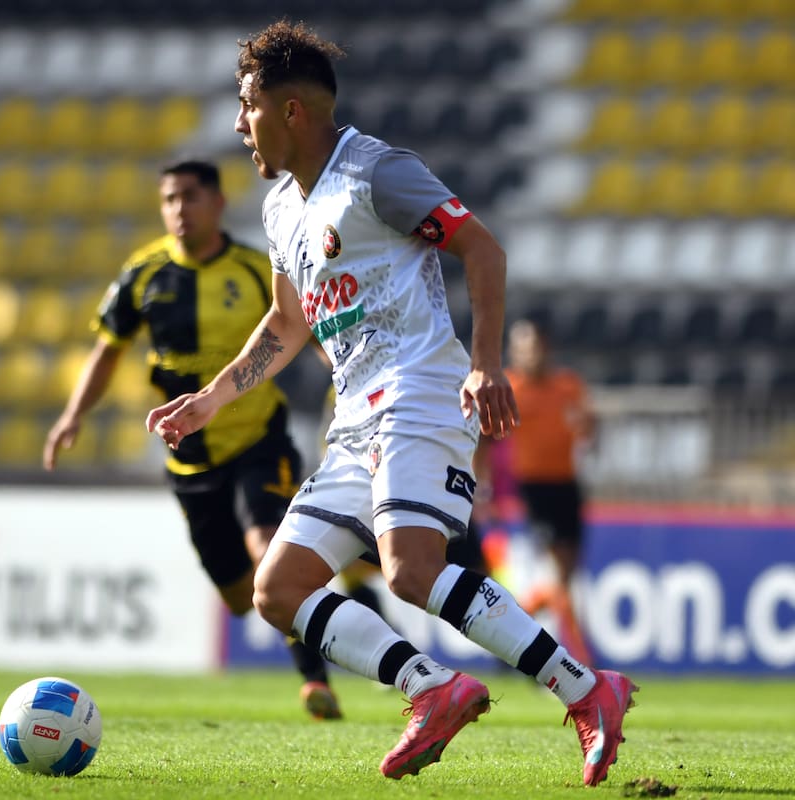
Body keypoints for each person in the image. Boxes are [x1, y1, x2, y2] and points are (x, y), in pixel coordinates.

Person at [147, 21, 637, 787]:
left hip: (422, 389)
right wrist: (209, 401)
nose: (239, 123)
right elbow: (286, 322)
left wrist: (484, 366)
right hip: (354, 420)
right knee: (280, 590)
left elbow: (482, 248)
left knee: (411, 570)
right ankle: (432, 688)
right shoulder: (281, 209)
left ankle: (585, 690)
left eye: (248, 105)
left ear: (293, 112)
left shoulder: (376, 173)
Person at [44, 158, 379, 720]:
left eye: (190, 198)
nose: (179, 210)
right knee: (239, 595)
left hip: (257, 442)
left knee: (268, 550)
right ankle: (343, 606)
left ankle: (314, 681)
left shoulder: (254, 269)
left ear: (218, 204)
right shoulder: (144, 273)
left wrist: (351, 380)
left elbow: (303, 328)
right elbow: (108, 349)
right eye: (169, 200)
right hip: (190, 463)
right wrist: (73, 414)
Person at [499, 316, 597, 665]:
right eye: (522, 347)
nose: (530, 354)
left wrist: (588, 434)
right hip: (534, 489)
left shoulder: (567, 385)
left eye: (535, 346)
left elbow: (588, 423)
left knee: (565, 576)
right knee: (557, 572)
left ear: (547, 348)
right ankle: (578, 659)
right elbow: (484, 436)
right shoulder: (509, 386)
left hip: (567, 485)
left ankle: (509, 631)